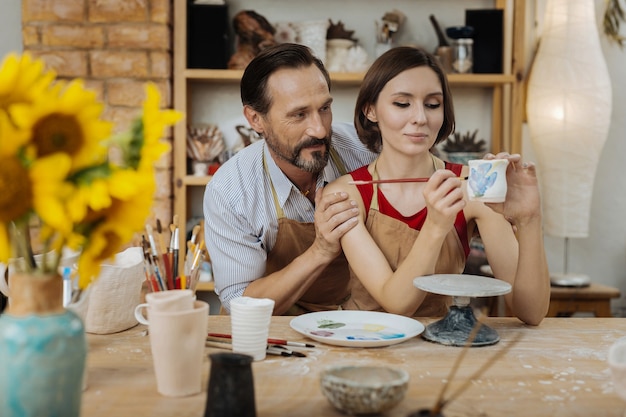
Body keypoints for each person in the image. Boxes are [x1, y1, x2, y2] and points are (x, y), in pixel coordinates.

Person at [323, 46, 550, 325]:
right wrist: (435, 226)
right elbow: (397, 304)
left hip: (442, 345)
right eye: (402, 104)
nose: (420, 117)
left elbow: (530, 312)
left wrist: (529, 219)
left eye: (432, 104)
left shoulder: (473, 185)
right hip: (361, 341)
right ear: (370, 110)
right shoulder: (347, 193)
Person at [203, 43, 376, 315]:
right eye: (299, 115)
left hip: (355, 317)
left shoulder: (365, 152)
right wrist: (320, 250)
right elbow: (241, 302)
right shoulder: (230, 190)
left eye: (325, 108)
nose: (319, 130)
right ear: (256, 119)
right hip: (273, 326)